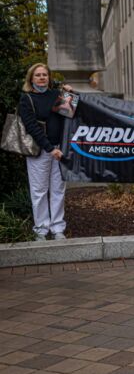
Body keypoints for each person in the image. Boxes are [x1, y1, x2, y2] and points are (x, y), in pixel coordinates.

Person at [18, 63, 74, 241]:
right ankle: (41, 230)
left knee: (58, 189)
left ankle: (58, 228)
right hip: (40, 151)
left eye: (44, 75)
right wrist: (50, 149)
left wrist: (70, 94)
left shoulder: (56, 95)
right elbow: (32, 127)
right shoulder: (27, 99)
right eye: (38, 75)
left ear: (49, 78)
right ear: (31, 78)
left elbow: (70, 114)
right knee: (39, 191)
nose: (42, 77)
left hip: (59, 149)